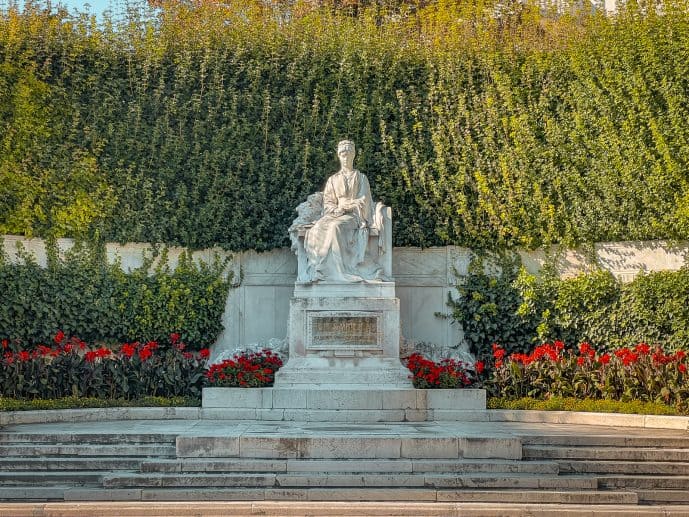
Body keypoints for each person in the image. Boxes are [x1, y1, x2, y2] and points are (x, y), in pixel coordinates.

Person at [304, 140, 382, 282]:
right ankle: (318, 269)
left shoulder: (361, 178)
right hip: (336, 213)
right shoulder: (333, 180)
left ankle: (338, 271)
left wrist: (349, 205)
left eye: (348, 154)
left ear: (353, 155)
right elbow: (328, 203)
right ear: (339, 156)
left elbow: (364, 201)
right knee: (317, 228)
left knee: (335, 227)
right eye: (342, 154)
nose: (345, 157)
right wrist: (338, 208)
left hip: (354, 216)